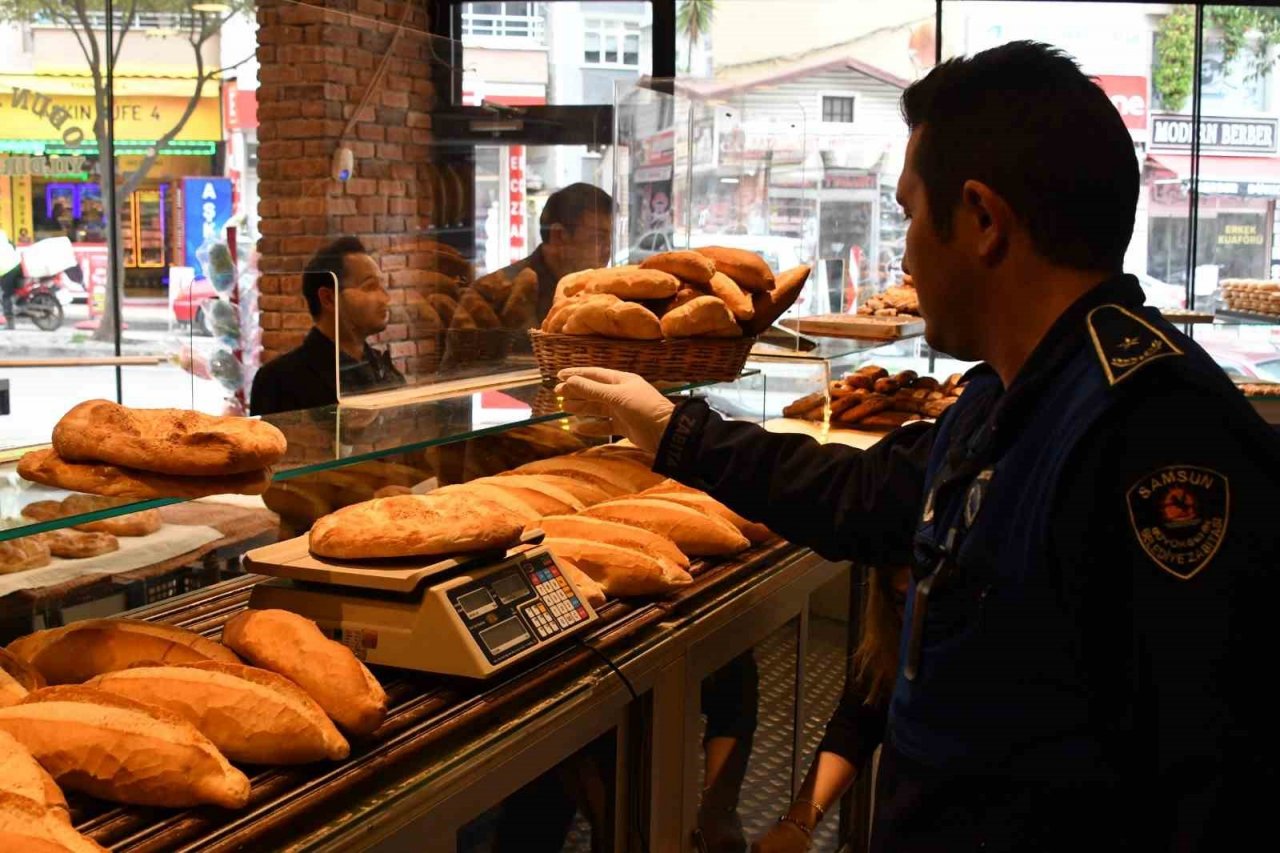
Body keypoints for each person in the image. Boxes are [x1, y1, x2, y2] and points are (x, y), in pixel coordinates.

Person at [557, 41, 1278, 851]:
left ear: (982, 221)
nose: (901, 253)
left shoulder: (1152, 429)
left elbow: (1217, 778)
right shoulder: (1006, 396)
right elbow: (862, 495)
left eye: (906, 212)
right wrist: (671, 428)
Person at [752, 567, 908, 852]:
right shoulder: (895, 635)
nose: (911, 618)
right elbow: (861, 720)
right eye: (901, 601)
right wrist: (797, 823)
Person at [249, 236, 403, 415]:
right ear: (329, 298)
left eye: (383, 287)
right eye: (370, 287)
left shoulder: (382, 368)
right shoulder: (279, 379)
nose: (385, 298)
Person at [491, 182, 613, 324]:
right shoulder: (500, 296)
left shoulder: (604, 293)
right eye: (598, 238)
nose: (607, 250)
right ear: (559, 236)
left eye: (610, 238)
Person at [0, 228, 22, 331]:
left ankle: (10, 323)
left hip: (6, 269)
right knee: (13, 291)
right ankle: (18, 305)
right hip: (16, 264)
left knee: (6, 295)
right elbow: (13, 246)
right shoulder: (2, 233)